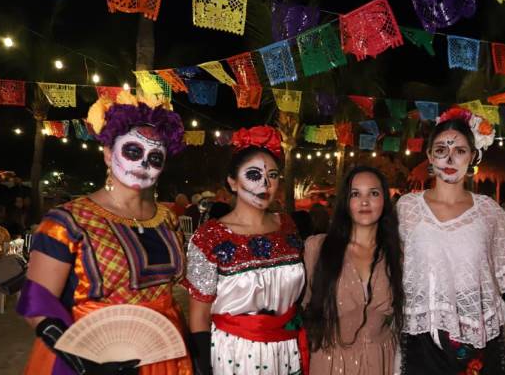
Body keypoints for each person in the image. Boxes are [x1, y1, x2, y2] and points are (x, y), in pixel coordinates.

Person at [17, 91, 192, 374]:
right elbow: (38, 299)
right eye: (133, 151)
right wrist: (79, 357)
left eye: (156, 157)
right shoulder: (68, 221)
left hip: (165, 357)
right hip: (93, 358)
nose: (144, 163)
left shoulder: (167, 218)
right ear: (109, 154)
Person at [397, 108, 505, 374]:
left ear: (473, 156)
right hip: (421, 334)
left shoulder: (488, 210)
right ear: (429, 155)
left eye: (460, 151)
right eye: (441, 149)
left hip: (478, 336)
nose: (450, 158)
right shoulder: (407, 208)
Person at [184, 126, 307, 375]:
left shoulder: (287, 226)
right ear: (232, 181)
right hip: (235, 355)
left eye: (272, 175)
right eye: (253, 175)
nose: (265, 184)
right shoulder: (209, 237)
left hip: (286, 350)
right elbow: (198, 317)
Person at [303, 166, 404, 374]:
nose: (364, 202)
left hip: (381, 361)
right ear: (345, 202)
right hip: (328, 362)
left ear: (384, 200)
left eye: (373, 193)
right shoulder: (317, 248)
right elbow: (303, 307)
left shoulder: (399, 253)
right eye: (355, 194)